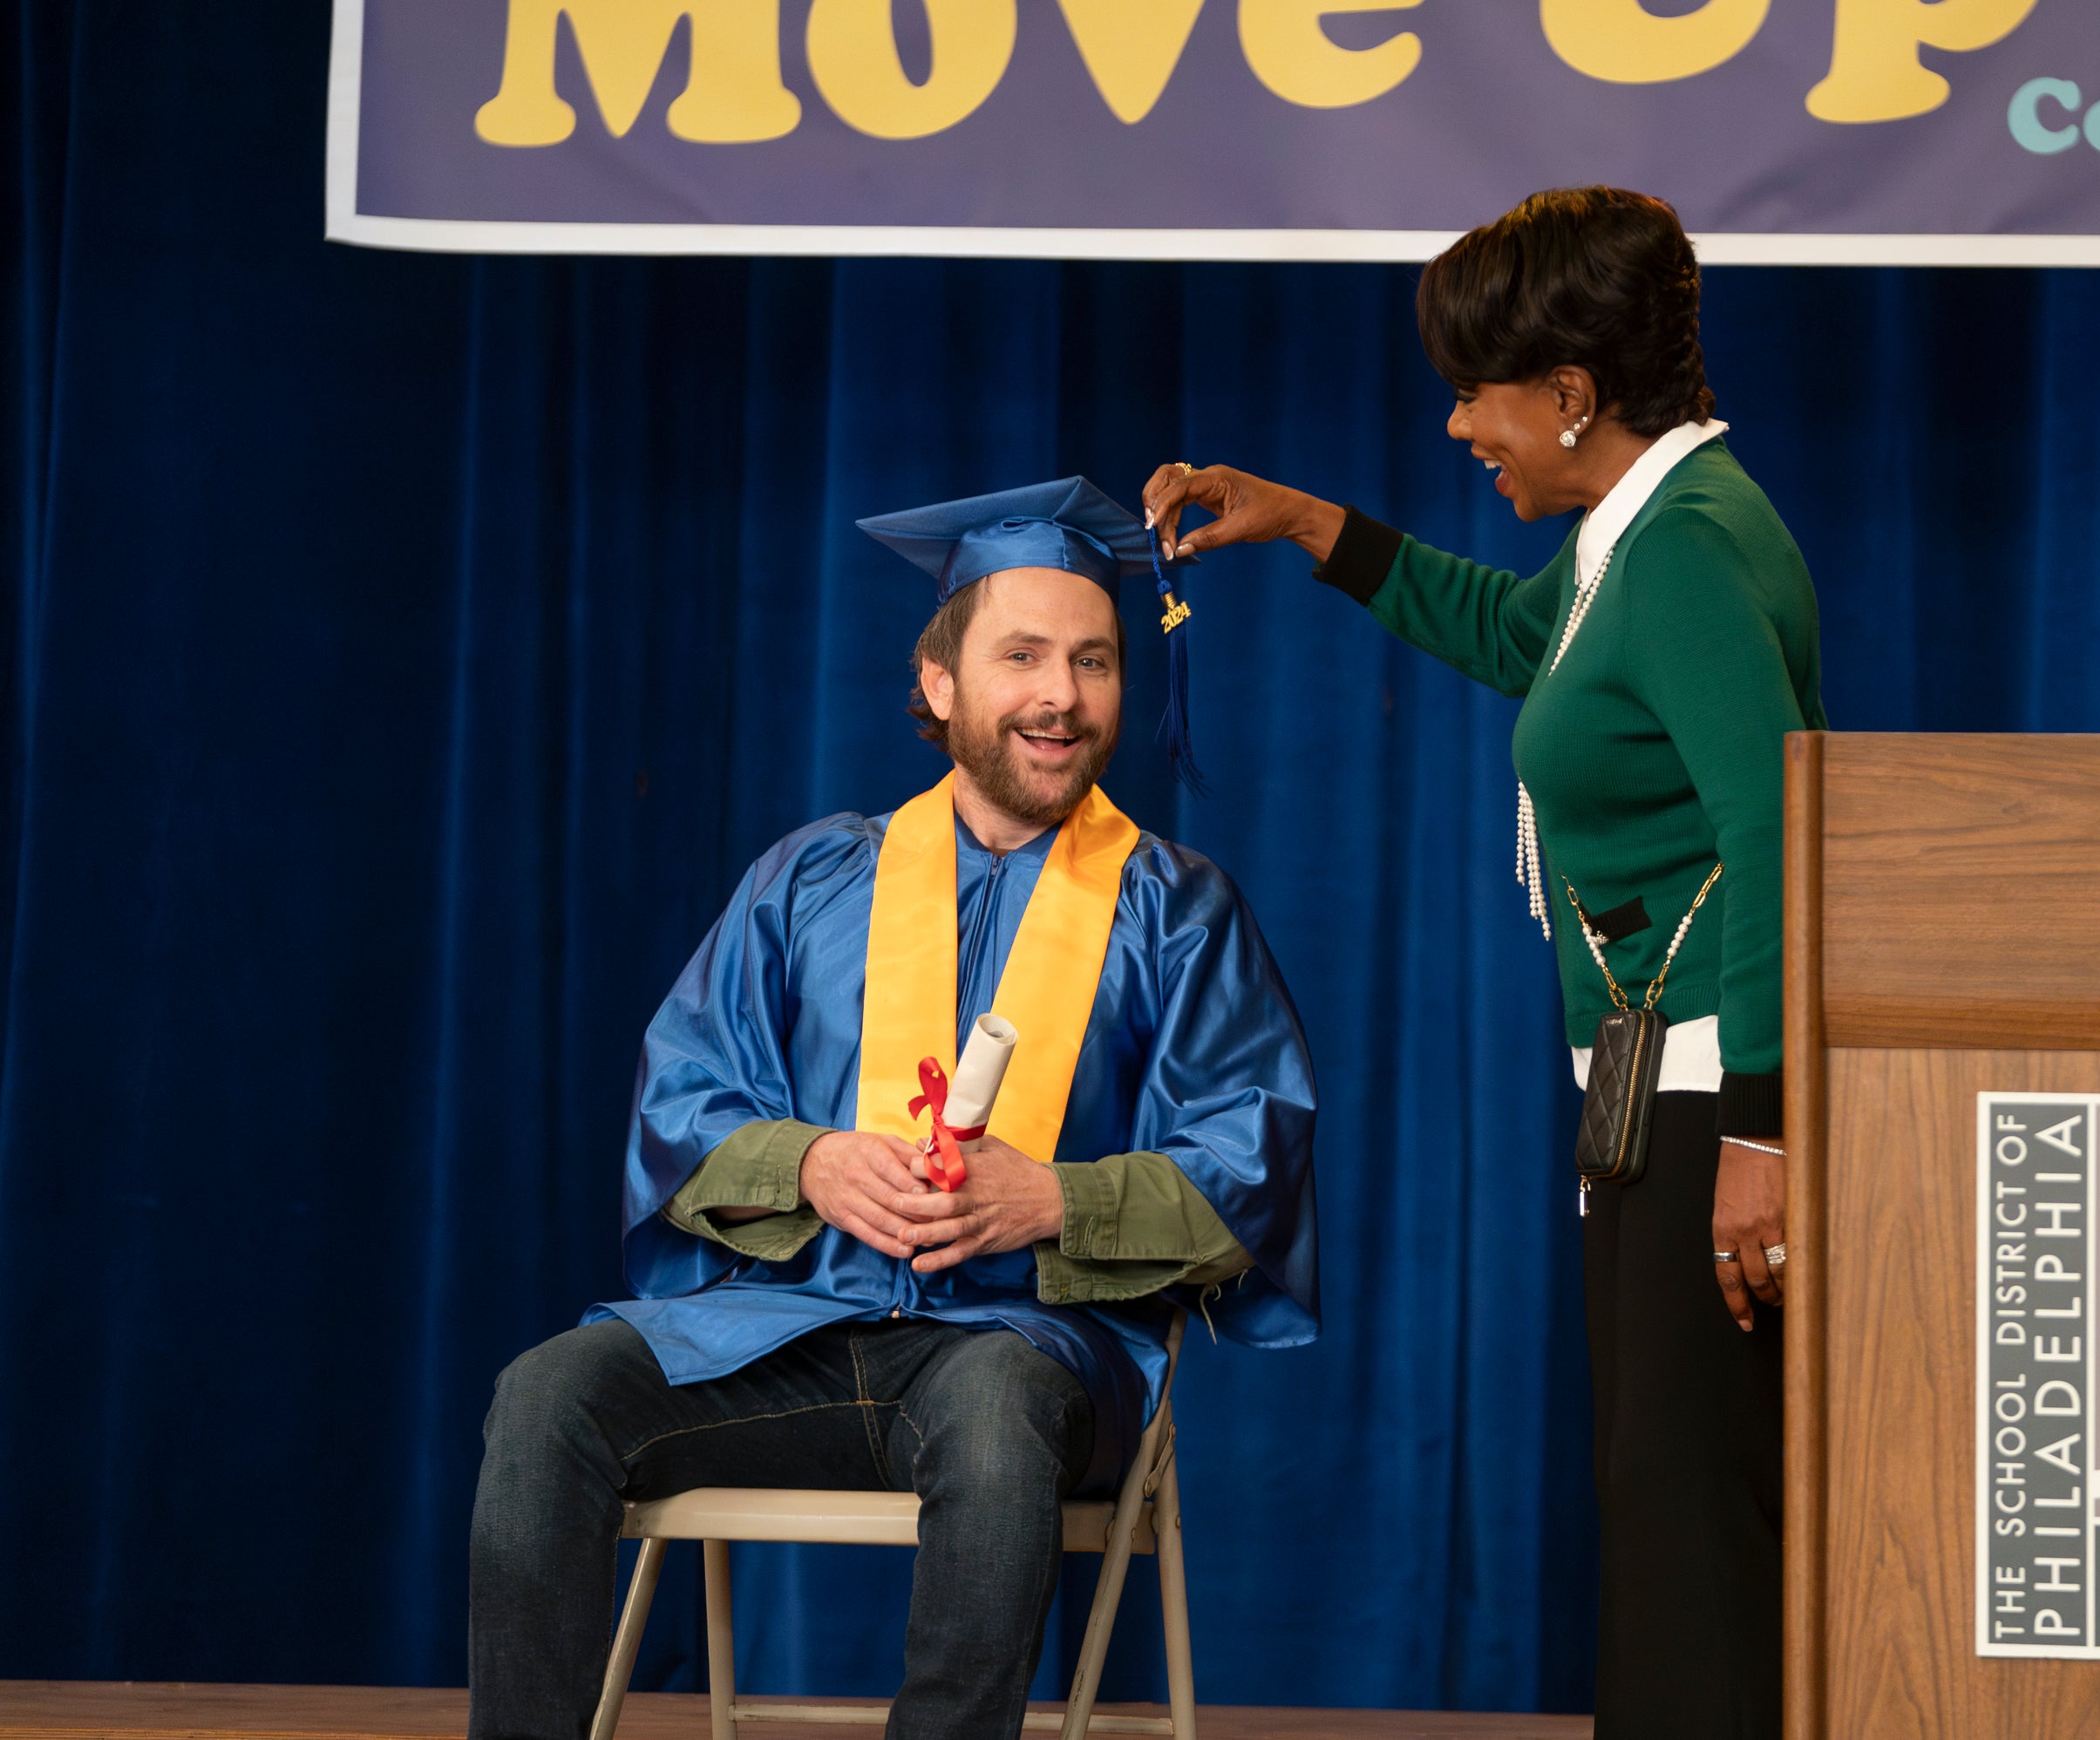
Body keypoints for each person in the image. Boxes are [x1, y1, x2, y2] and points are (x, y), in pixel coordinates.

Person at [467, 478, 1318, 1740]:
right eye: (1021, 655)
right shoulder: (812, 879)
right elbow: (682, 1098)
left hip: (1023, 1352)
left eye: (1093, 661)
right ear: (938, 683)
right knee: (548, 1396)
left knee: (990, 1413)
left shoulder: (1174, 909)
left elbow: (1256, 1163)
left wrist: (1056, 1198)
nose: (1062, 696)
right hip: (788, 1334)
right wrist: (809, 1166)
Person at [1143, 187, 1822, 1738]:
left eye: (1478, 393)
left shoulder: (1695, 551)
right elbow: (1529, 642)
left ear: (1572, 395)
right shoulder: (1638, 536)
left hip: (1720, 1103)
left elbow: (1785, 836)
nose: (1461, 427)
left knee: (1692, 1532)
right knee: (1663, 1514)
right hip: (1668, 1102)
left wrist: (1767, 1137)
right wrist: (1313, 523)